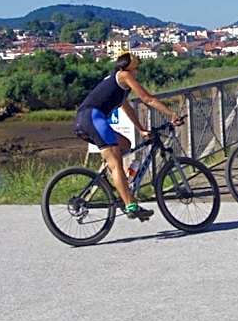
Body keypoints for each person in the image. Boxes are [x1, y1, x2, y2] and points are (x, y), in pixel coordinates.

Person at [75, 52, 182, 221]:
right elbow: (148, 98)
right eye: (136, 68)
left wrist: (141, 130)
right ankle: (130, 204)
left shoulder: (118, 85)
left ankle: (119, 184)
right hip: (93, 118)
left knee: (125, 143)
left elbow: (127, 109)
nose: (137, 72)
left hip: (84, 120)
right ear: (128, 68)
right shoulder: (124, 76)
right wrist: (171, 114)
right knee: (116, 163)